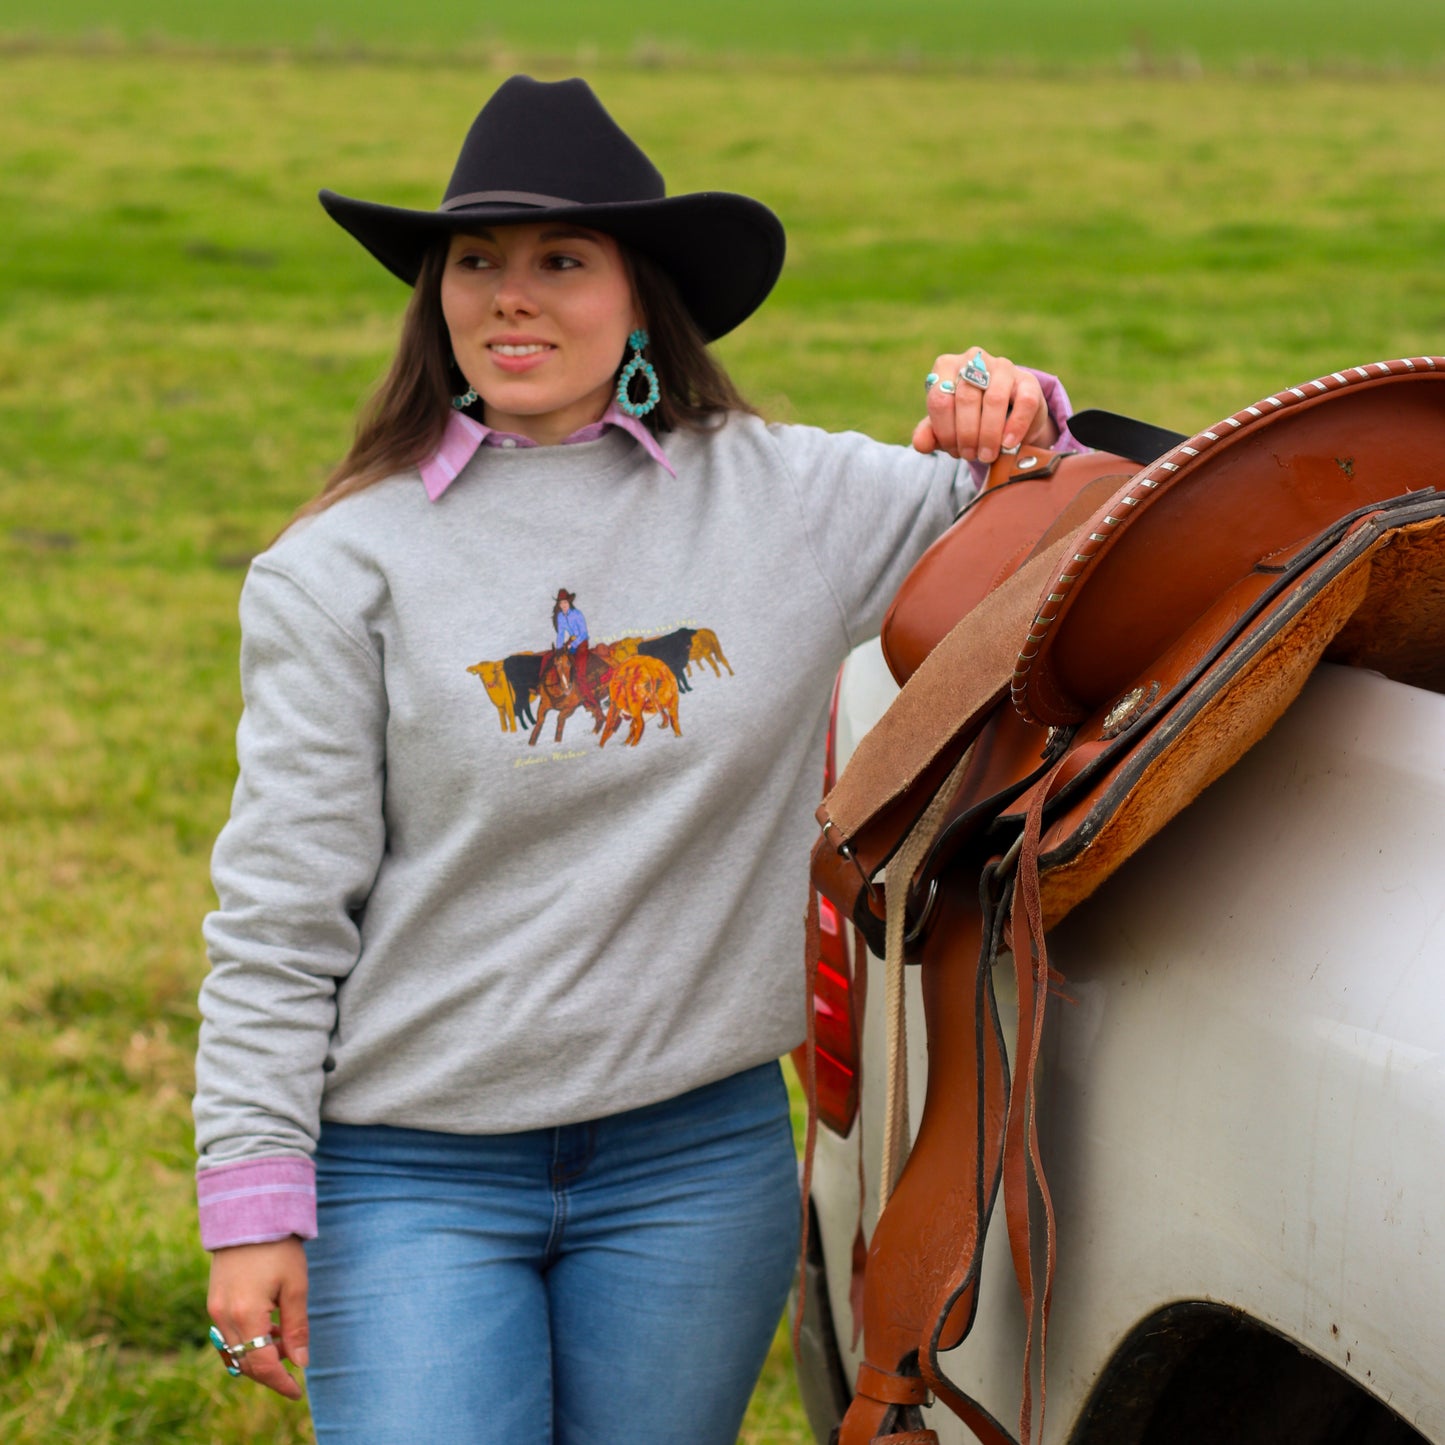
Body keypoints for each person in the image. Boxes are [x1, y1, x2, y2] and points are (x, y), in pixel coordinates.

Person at [194, 74, 1081, 1444]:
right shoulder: (338, 570)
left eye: (561, 260)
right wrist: (251, 1198)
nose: (510, 297)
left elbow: (1059, 514)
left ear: (640, 293)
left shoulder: (787, 501)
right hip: (413, 1166)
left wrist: (1011, 411)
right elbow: (279, 908)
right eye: (475, 261)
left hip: (693, 1155)